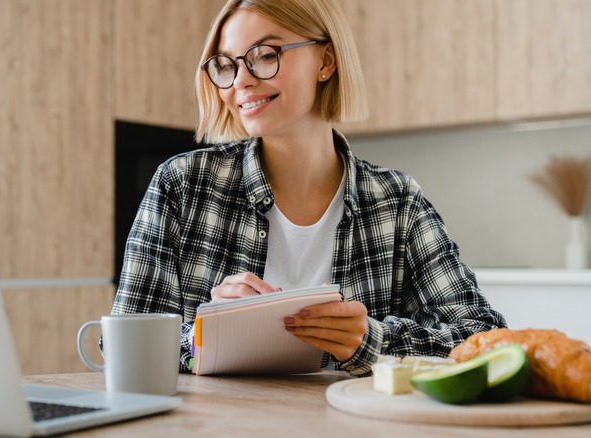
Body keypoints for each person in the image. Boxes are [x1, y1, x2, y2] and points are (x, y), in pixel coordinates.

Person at [110, 0, 506, 376]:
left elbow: (486, 341)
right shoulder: (184, 185)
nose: (242, 81)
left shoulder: (397, 201)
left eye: (266, 55)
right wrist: (207, 335)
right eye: (227, 65)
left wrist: (371, 341)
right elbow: (123, 346)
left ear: (326, 61)